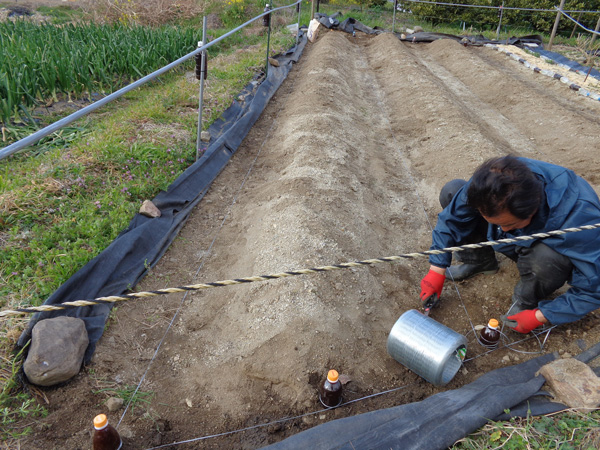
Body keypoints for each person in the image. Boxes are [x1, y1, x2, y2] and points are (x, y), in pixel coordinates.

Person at [419, 155, 600, 333]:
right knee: (453, 191)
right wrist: (437, 267)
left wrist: (541, 315)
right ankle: (479, 261)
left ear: (533, 210)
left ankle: (525, 300)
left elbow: (593, 290)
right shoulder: (493, 180)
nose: (502, 231)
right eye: (495, 223)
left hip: (545, 249)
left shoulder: (582, 220)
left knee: (546, 258)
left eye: (509, 224)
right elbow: (451, 220)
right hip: (520, 236)